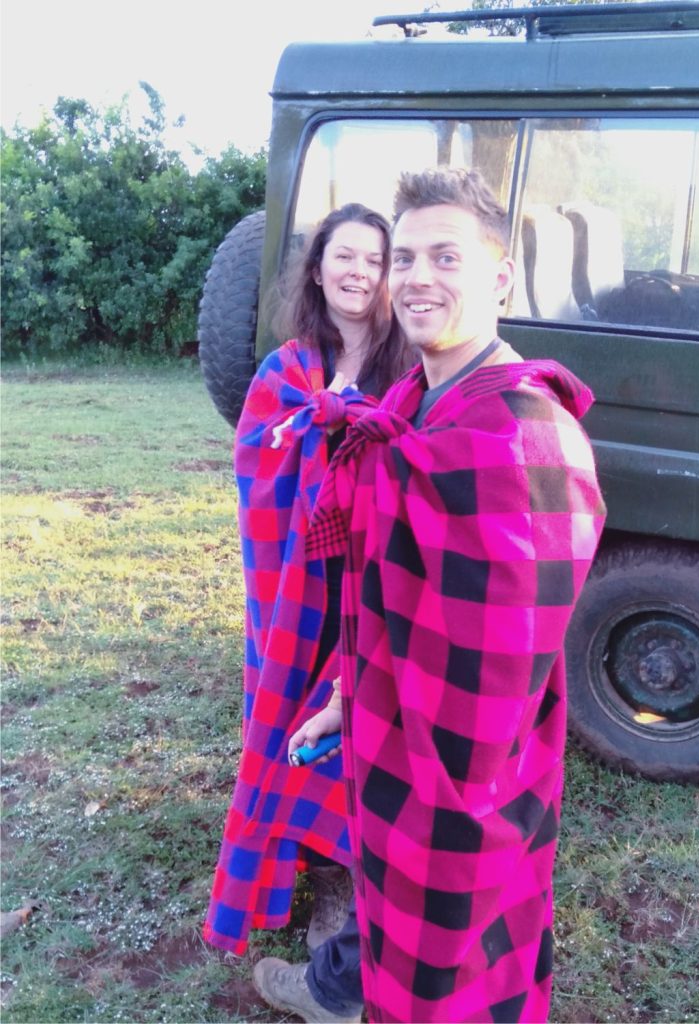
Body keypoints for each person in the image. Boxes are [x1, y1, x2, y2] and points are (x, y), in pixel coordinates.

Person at [252, 168, 607, 1024]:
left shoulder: (523, 439)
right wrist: (348, 696)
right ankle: (342, 989)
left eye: (444, 256)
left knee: (451, 949)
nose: (413, 277)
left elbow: (498, 681)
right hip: (388, 733)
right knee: (394, 910)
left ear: (498, 278)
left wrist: (438, 792)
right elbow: (388, 589)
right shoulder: (417, 399)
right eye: (402, 257)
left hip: (458, 775)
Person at [203, 203, 411, 961]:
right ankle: (304, 861)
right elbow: (255, 466)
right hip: (296, 585)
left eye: (374, 260)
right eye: (343, 257)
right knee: (293, 714)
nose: (358, 273)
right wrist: (320, 434)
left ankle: (350, 875)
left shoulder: (407, 368)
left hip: (370, 578)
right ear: (317, 267)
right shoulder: (284, 370)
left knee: (359, 714)